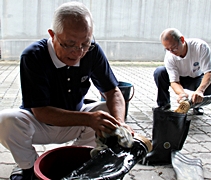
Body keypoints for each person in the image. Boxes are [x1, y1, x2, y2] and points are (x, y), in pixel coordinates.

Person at [0, 2, 134, 179]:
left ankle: (81, 161)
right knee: (6, 121)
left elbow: (113, 91)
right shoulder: (33, 56)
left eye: (85, 43)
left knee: (108, 111)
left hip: (77, 120)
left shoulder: (93, 51)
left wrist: (119, 123)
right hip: (39, 124)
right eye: (69, 44)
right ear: (52, 35)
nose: (78, 52)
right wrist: (88, 119)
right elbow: (41, 112)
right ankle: (30, 169)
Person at [154, 28, 211, 115]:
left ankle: (197, 105)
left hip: (198, 78)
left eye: (174, 48)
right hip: (181, 78)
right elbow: (174, 81)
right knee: (160, 72)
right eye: (167, 49)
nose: (172, 52)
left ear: (182, 40)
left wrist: (200, 90)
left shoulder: (200, 47)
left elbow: (209, 72)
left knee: (205, 87)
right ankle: (164, 104)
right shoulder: (169, 56)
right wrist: (182, 94)